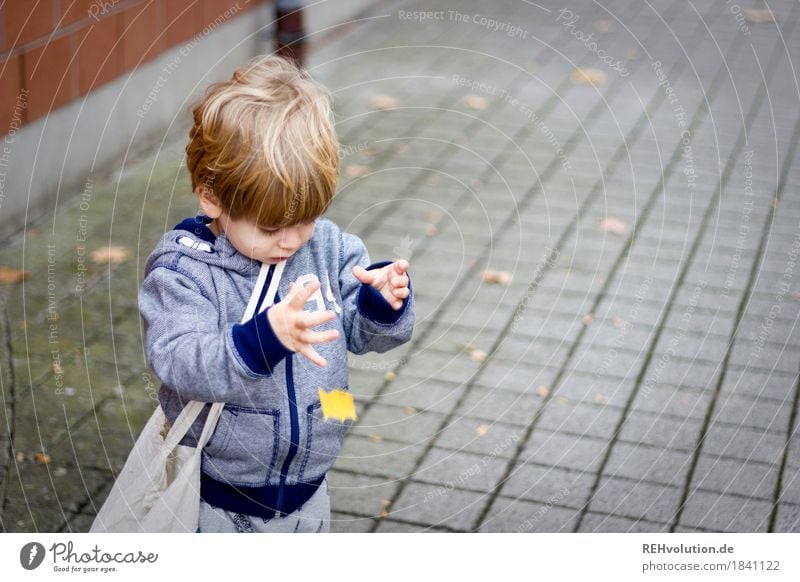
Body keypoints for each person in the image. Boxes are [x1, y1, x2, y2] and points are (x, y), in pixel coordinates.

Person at [138, 55, 414, 533]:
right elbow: (178, 361)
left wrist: (379, 304)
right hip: (217, 495)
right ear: (213, 198)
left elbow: (358, 330)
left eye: (304, 220)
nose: (290, 241)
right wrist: (262, 339)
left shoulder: (327, 247)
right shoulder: (186, 272)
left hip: (312, 484)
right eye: (270, 227)